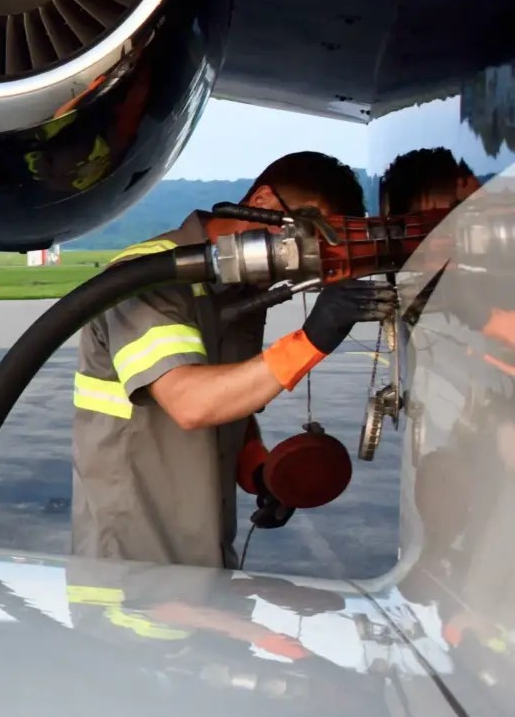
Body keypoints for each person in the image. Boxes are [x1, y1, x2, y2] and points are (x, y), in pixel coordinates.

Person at [70, 151, 379, 567]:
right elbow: (191, 401)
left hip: (203, 549)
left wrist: (256, 467)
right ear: (266, 203)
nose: (304, 260)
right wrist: (310, 341)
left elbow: (230, 393)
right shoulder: (151, 277)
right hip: (134, 562)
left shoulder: (245, 289)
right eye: (307, 238)